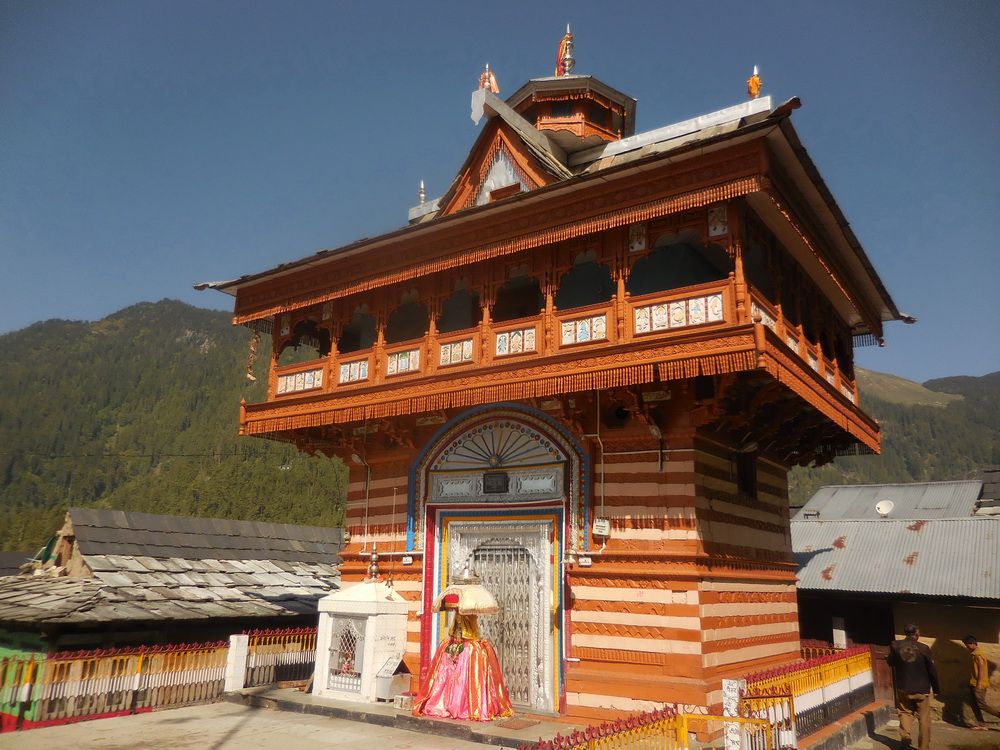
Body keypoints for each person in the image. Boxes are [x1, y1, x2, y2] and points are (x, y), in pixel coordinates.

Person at [411, 567, 513, 722]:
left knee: (464, 680)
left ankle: (464, 704)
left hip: (468, 643)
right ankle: (450, 703)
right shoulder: (458, 634)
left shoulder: (475, 644)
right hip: (458, 643)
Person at [887, 622, 939, 750]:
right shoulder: (924, 648)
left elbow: (891, 661)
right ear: (917, 634)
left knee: (905, 712)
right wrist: (936, 688)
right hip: (921, 689)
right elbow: (931, 670)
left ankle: (905, 736)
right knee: (924, 719)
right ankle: (923, 747)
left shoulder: (896, 645)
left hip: (903, 687)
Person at [961, 635, 1000, 730]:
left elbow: (981, 670)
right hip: (973, 683)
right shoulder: (974, 654)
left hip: (979, 684)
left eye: (967, 645)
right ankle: (982, 724)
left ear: (973, 644)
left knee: (981, 704)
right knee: (974, 703)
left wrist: (979, 683)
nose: (967, 647)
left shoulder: (978, 655)